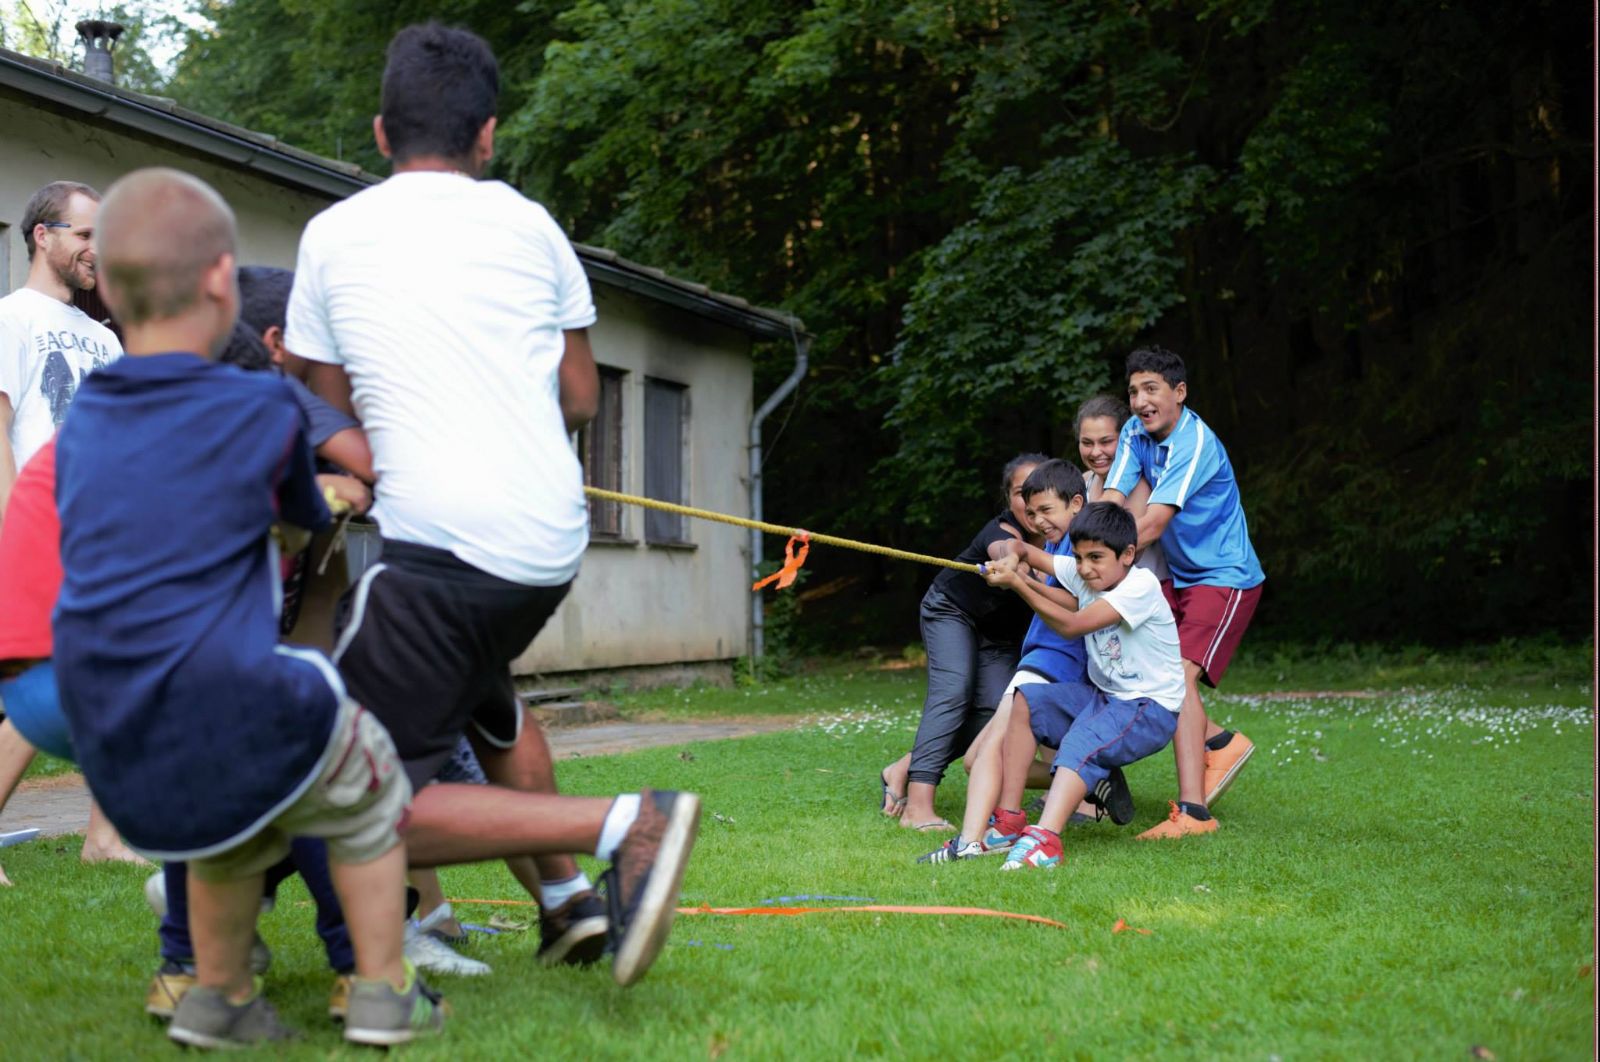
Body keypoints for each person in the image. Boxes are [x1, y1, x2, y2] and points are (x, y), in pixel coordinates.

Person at [286, 22, 699, 987]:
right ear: (487, 136)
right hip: (546, 545)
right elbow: (583, 396)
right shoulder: (531, 224)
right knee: (482, 701)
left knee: (342, 791)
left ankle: (623, 824)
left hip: (441, 544)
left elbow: (323, 409)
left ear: (382, 134)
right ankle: (564, 905)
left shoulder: (333, 234)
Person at [52, 167, 442, 1048]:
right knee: (372, 780)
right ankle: (381, 989)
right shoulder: (260, 404)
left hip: (111, 733)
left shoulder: (86, 421)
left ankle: (217, 997)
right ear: (225, 281)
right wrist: (333, 495)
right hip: (226, 695)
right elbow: (300, 521)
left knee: (233, 818)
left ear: (107, 286)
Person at [924, 502, 1184, 868]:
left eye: (1095, 558)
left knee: (1082, 741)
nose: (1085, 569)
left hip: (1148, 708)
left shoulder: (1139, 586)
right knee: (1025, 700)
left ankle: (1046, 841)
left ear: (1127, 555)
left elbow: (1072, 625)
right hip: (1105, 698)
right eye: (1078, 558)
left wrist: (1018, 583)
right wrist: (1012, 560)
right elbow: (1024, 548)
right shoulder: (1085, 571)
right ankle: (1010, 820)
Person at [0, 179, 137, 872]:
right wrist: (11, 529)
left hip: (101, 536)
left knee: (113, 680)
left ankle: (105, 837)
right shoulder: (11, 318)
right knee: (48, 683)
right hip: (37, 530)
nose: (96, 249)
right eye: (85, 234)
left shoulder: (106, 342)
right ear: (42, 236)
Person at [1100, 346, 1263, 838]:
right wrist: (1084, 544)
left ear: (1179, 392)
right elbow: (1112, 500)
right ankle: (1217, 742)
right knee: (1157, 669)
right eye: (1133, 391)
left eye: (1151, 389)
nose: (1140, 400)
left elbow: (1151, 522)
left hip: (1225, 576)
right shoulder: (1134, 432)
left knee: (1177, 679)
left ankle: (1194, 815)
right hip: (1184, 575)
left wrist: (1098, 561)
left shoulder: (1195, 441)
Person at [878, 454, 1046, 831]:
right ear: (1008, 498)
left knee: (992, 714)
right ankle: (918, 807)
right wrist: (1014, 562)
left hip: (1000, 635)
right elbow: (1003, 550)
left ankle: (903, 768)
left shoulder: (1062, 540)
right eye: (1022, 492)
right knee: (953, 691)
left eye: (1039, 491)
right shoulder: (1000, 533)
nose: (1030, 502)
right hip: (952, 611)